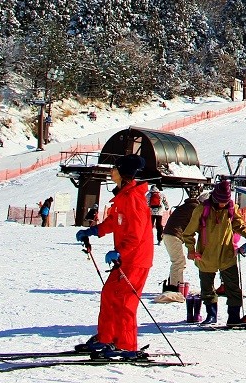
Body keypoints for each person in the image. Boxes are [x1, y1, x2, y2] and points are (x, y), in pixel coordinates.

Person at [73, 154, 155, 359]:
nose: (111, 172)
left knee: (125, 301)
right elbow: (113, 222)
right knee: (109, 294)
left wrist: (121, 251)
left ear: (123, 173)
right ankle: (107, 337)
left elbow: (136, 233)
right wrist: (94, 231)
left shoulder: (133, 198)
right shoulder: (122, 196)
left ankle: (127, 345)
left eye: (114, 168)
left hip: (136, 259)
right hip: (126, 258)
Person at [179, 180, 246, 327]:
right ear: (215, 197)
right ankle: (211, 315)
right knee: (207, 288)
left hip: (226, 255)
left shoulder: (231, 208)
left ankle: (234, 317)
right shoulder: (201, 209)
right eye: (221, 201)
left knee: (233, 287)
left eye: (226, 201)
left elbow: (239, 225)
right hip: (206, 256)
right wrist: (191, 250)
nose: (223, 204)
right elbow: (188, 233)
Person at [156, 190, 201, 303]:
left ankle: (175, 284)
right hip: (173, 235)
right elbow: (197, 225)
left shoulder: (187, 206)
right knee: (178, 262)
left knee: (178, 261)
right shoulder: (195, 208)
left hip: (169, 234)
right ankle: (175, 288)